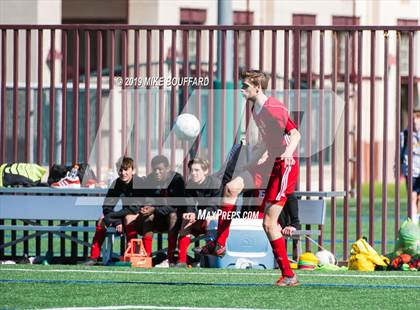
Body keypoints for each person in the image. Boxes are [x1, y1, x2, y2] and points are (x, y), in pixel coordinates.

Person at [201, 70, 301, 286]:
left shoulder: (274, 108)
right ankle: (220, 243)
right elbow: (267, 141)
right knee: (231, 188)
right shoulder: (256, 108)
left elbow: (295, 134)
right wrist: (253, 162)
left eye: (245, 86)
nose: (242, 89)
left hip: (284, 166)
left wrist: (287, 154)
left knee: (269, 223)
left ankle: (289, 275)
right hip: (268, 163)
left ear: (258, 87)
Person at [83, 156, 144, 265]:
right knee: (101, 220)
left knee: (128, 217)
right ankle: (93, 257)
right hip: (125, 215)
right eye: (120, 170)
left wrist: (115, 218)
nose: (123, 173)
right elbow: (107, 206)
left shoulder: (139, 183)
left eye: (126, 170)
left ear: (133, 170)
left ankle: (133, 255)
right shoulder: (116, 183)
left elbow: (135, 208)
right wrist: (117, 221)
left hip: (142, 217)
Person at [138, 155, 186, 267]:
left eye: (160, 169)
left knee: (173, 216)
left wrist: (155, 208)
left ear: (168, 168)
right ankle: (147, 258)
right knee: (147, 216)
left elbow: (176, 205)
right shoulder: (149, 180)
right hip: (156, 219)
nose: (157, 172)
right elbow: (148, 200)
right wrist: (146, 208)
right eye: (154, 169)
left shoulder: (177, 179)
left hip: (175, 222)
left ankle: (171, 258)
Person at [176, 158, 221, 267]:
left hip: (216, 220)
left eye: (197, 170)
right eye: (192, 170)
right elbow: (190, 205)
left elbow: (214, 207)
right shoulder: (190, 184)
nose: (193, 173)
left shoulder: (215, 183)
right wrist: (190, 214)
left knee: (210, 218)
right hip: (200, 218)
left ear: (205, 171)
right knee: (185, 221)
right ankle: (181, 261)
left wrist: (195, 215)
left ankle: (209, 260)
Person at [400, 109, 420, 225]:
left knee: (419, 199)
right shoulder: (405, 134)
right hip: (411, 170)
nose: (414, 121)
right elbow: (400, 151)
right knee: (412, 197)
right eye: (412, 118)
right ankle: (414, 222)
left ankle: (417, 217)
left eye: (417, 118)